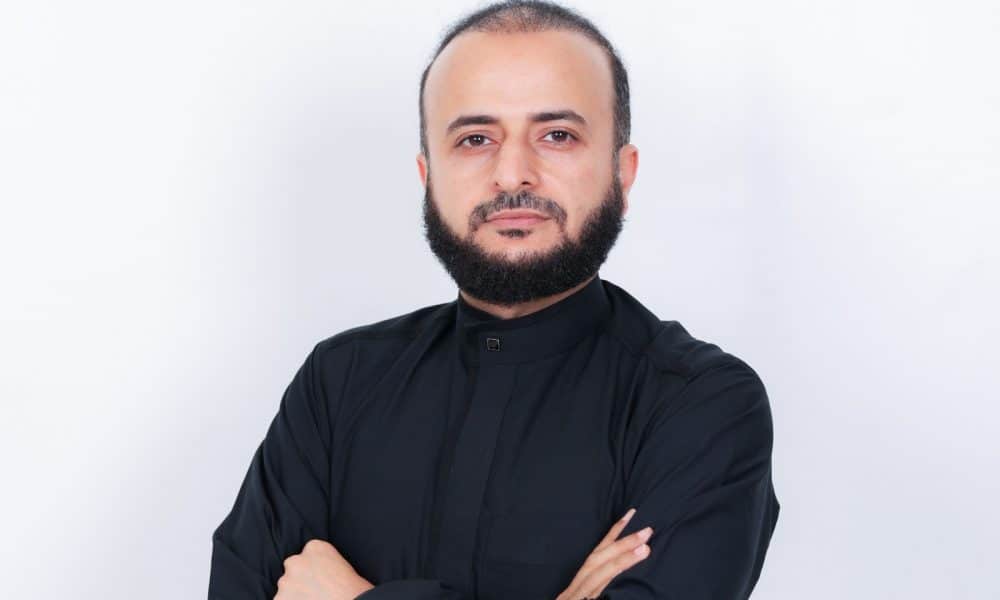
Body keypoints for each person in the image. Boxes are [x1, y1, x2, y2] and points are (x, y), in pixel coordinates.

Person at [208, 1, 780, 598]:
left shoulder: (700, 404)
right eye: (475, 139)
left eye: (557, 135)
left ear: (623, 174)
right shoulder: (338, 383)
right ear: (429, 177)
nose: (512, 175)